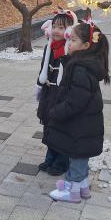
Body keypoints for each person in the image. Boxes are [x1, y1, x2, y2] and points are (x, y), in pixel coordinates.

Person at [45, 22, 110, 203]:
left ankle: (71, 191)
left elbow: (75, 101)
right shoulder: (84, 65)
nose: (69, 44)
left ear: (86, 46)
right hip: (85, 125)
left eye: (73, 40)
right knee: (80, 157)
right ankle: (82, 188)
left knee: (77, 157)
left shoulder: (81, 69)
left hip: (80, 126)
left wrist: (56, 112)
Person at [36, 10, 76, 176]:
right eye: (54, 26)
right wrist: (40, 85)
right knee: (49, 127)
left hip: (62, 96)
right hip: (49, 93)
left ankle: (62, 161)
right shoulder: (49, 47)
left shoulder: (71, 51)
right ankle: (50, 157)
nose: (56, 31)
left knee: (61, 129)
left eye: (61, 27)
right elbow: (42, 69)